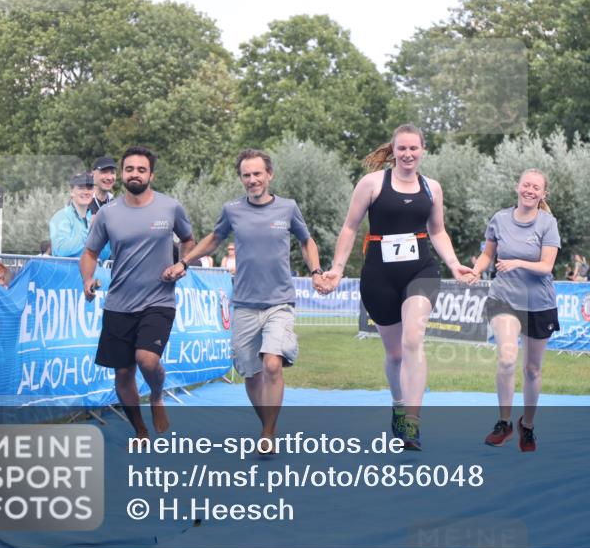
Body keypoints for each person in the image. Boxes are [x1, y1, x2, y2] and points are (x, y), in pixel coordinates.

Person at [320, 124, 472, 450]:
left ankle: (413, 421)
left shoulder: (432, 188)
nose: (407, 154)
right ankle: (399, 403)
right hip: (379, 276)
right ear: (393, 150)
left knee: (414, 338)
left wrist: (454, 263)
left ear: (423, 150)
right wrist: (336, 268)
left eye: (413, 149)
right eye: (401, 148)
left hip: (421, 270)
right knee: (394, 353)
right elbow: (350, 228)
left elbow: (438, 231)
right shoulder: (372, 184)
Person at [164, 149, 325, 451]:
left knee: (273, 365)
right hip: (245, 304)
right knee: (251, 375)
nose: (252, 180)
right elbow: (214, 238)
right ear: (241, 179)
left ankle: (268, 434)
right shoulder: (232, 210)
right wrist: (184, 262)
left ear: (269, 175)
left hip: (279, 301)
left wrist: (316, 271)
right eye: (246, 175)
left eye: (257, 174)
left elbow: (306, 240)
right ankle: (267, 425)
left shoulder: (288, 208)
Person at [81, 146, 195, 440]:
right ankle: (140, 430)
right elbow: (90, 252)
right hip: (119, 303)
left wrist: (182, 264)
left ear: (151, 175)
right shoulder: (107, 214)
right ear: (122, 174)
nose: (135, 174)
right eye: (129, 169)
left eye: (141, 169)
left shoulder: (170, 208)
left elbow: (189, 239)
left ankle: (157, 395)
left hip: (159, 299)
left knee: (147, 359)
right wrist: (87, 279)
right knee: (123, 373)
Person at [465, 169, 560, 452]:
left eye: (536, 187)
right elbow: (487, 254)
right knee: (507, 357)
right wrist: (476, 270)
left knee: (532, 369)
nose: (530, 190)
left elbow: (546, 266)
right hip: (504, 298)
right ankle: (504, 422)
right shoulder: (500, 219)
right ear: (518, 188)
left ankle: (527, 426)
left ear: (543, 194)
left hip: (539, 303)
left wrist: (518, 262)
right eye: (526, 185)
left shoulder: (548, 223)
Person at [49, 173, 111, 259]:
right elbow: (60, 250)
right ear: (71, 192)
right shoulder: (61, 217)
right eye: (81, 188)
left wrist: (106, 235)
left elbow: (103, 256)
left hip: (92, 271)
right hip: (67, 271)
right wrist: (90, 230)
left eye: (89, 188)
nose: (86, 192)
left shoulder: (94, 218)